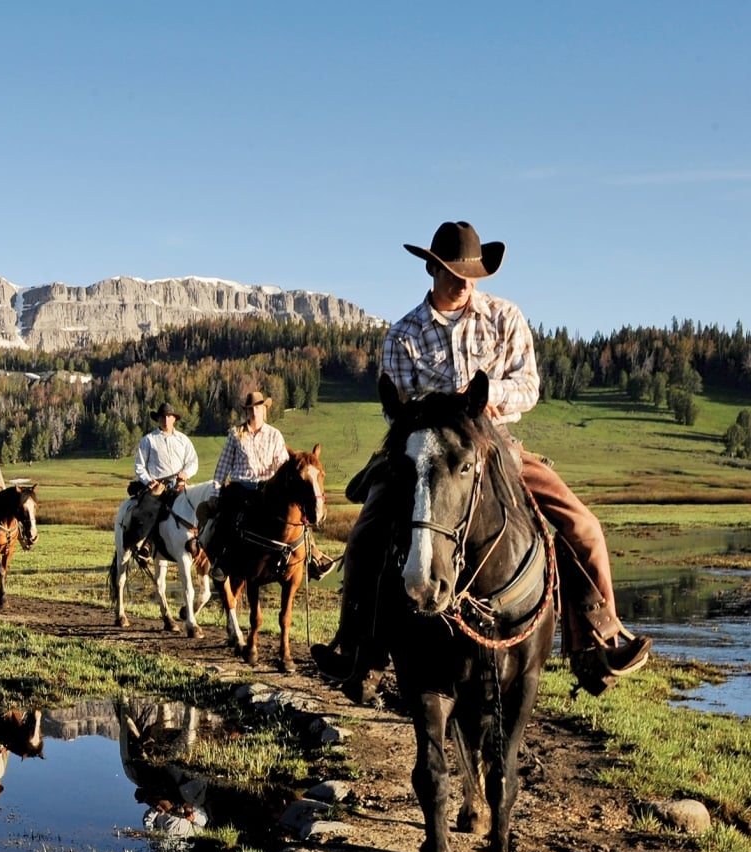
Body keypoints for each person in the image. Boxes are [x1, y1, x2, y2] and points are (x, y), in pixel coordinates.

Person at [311, 220, 652, 698]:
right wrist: (440, 409)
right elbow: (396, 408)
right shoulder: (403, 334)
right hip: (425, 450)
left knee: (584, 527)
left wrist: (488, 399)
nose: (466, 281)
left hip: (494, 442)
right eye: (455, 271)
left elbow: (529, 385)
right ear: (432, 268)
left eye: (473, 273)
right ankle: (359, 648)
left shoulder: (505, 316)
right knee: (367, 531)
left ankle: (598, 642)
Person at [206, 390, 335, 582]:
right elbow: (222, 468)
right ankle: (222, 562)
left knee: (298, 514)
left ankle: (312, 556)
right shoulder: (235, 435)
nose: (254, 412)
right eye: (250, 409)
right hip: (242, 487)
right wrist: (215, 493)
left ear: (264, 410)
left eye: (258, 408)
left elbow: (283, 465)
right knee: (227, 515)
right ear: (247, 412)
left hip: (268, 488)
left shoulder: (275, 435)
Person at [122, 402, 199, 564]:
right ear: (158, 419)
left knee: (196, 508)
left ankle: (202, 545)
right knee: (151, 510)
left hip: (179, 485)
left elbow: (193, 462)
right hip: (158, 486)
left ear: (174, 419)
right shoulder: (148, 440)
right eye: (163, 417)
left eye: (169, 416)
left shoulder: (183, 440)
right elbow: (139, 465)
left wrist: (185, 473)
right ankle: (146, 544)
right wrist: (149, 481)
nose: (166, 419)